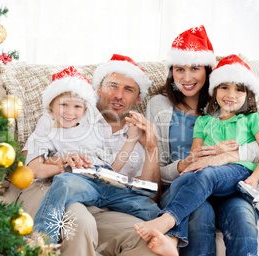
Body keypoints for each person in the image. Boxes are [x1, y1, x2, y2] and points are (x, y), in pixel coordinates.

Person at [139, 26, 259, 256]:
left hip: (229, 185)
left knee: (242, 216)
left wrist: (226, 156)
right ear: (172, 72)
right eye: (179, 69)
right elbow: (155, 166)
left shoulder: (228, 98)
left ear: (208, 71)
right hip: (184, 185)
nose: (186, 78)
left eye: (195, 69)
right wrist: (185, 164)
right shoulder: (159, 105)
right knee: (200, 214)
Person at [20, 54, 161, 256]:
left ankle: (172, 236)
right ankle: (41, 243)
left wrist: (150, 148)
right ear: (98, 90)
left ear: (137, 99)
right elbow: (29, 165)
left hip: (105, 193)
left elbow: (118, 174)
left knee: (151, 232)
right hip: (61, 189)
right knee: (79, 218)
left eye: (128, 89)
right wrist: (62, 163)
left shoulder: (137, 135)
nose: (118, 95)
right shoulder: (68, 118)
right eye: (113, 85)